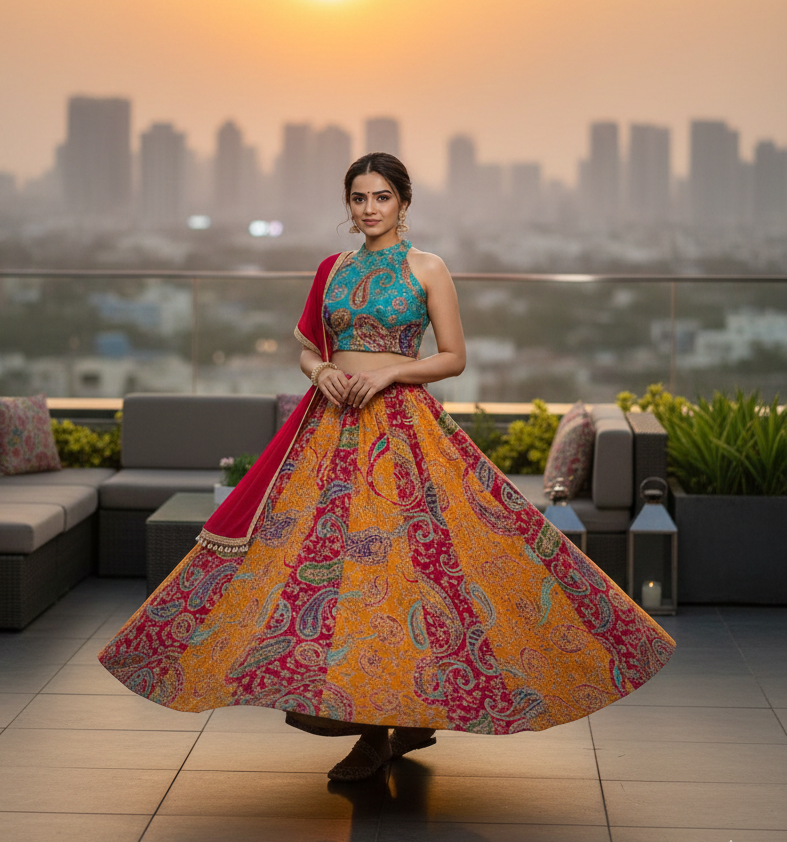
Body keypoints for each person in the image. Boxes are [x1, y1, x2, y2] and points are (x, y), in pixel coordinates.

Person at [98, 151, 675, 782]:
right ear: (347, 206)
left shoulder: (428, 268)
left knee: (407, 576)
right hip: (328, 430)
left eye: (381, 198)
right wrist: (322, 372)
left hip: (403, 433)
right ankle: (375, 726)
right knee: (325, 578)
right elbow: (307, 348)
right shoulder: (332, 268)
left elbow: (453, 357)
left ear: (404, 202)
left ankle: (391, 726)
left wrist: (391, 373)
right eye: (358, 199)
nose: (369, 209)